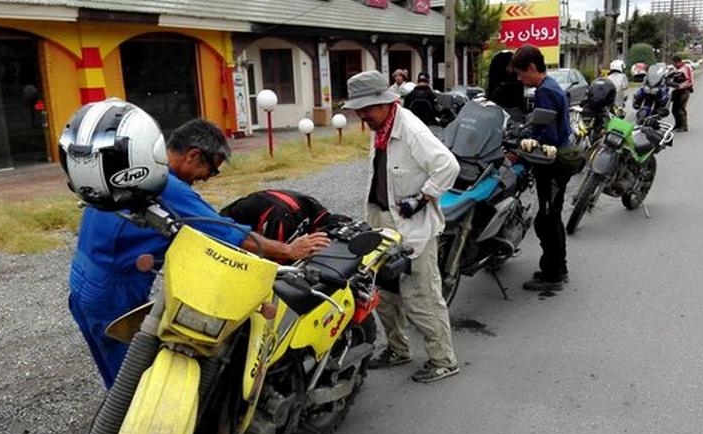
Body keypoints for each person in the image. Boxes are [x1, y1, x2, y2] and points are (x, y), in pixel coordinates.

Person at [64, 101, 329, 388]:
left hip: (81, 278)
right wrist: (289, 250)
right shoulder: (164, 184)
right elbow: (226, 232)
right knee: (132, 382)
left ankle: (117, 420)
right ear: (193, 156)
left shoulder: (132, 170)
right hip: (113, 289)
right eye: (211, 170)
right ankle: (136, 429)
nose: (205, 179)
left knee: (113, 369)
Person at [343, 70, 460, 383]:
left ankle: (442, 359)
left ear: (384, 103)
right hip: (383, 222)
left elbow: (448, 166)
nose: (362, 115)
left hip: (413, 227)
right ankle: (398, 349)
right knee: (385, 293)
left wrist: (422, 199)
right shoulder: (381, 127)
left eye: (367, 108)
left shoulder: (409, 128)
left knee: (421, 297)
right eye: (359, 109)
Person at [510, 45, 583, 292]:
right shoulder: (550, 86)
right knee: (550, 218)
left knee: (547, 220)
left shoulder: (545, 92)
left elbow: (548, 135)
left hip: (553, 165)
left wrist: (528, 144)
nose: (520, 79)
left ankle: (554, 275)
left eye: (521, 74)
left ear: (532, 68)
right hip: (558, 161)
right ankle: (556, 268)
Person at [220, 189, 349, 243]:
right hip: (224, 228)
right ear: (319, 230)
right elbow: (275, 256)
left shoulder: (313, 207)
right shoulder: (286, 217)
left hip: (261, 206)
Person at [671, 55, 694, 132]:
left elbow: (689, 80)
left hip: (684, 90)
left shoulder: (685, 68)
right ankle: (677, 125)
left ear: (678, 62)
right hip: (677, 90)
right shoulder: (677, 69)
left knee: (680, 109)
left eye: (674, 63)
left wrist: (680, 85)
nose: (673, 64)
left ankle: (684, 126)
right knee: (674, 109)